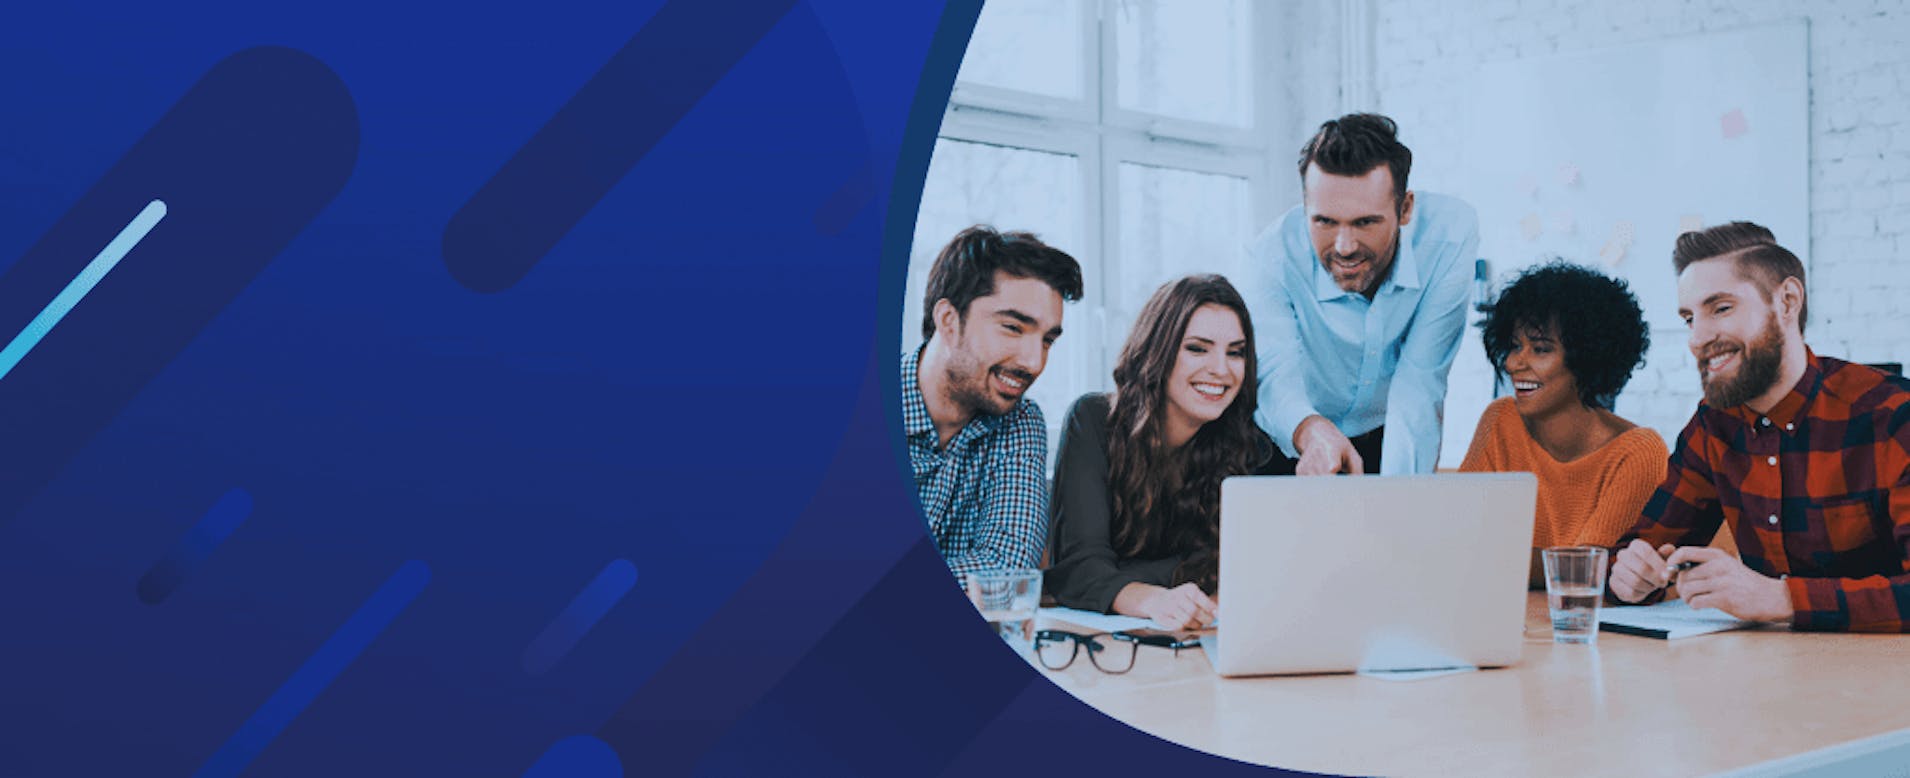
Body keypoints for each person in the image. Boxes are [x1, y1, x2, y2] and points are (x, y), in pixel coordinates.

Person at [1607, 222, 1910, 632]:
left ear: (1787, 301)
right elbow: (1643, 547)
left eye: (1721, 308)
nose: (1698, 338)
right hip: (1767, 677)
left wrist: (1780, 598)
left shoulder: (1892, 415)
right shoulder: (1713, 425)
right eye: (1688, 318)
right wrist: (1630, 576)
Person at [1243, 113, 1479, 476]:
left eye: (1365, 222)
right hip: (1290, 431)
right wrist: (1310, 429)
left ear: (1405, 209)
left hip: (1385, 432)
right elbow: (1274, 373)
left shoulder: (1448, 236)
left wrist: (1400, 502)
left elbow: (1420, 381)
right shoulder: (1272, 255)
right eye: (1324, 221)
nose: (1345, 246)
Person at [1045, 275, 1270, 629]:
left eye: (1236, 352)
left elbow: (1247, 565)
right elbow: (1078, 570)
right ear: (1158, 350)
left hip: (1200, 635)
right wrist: (1156, 599)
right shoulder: (1092, 421)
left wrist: (1127, 579)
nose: (1221, 369)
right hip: (1112, 645)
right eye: (1197, 348)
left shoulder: (1246, 439)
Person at [1460, 262, 1666, 588]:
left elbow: (1586, 571)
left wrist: (1485, 555)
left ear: (1587, 358)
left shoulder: (1638, 452)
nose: (1514, 363)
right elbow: (1452, 534)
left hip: (1587, 630)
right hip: (1503, 617)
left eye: (1540, 349)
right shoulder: (1500, 420)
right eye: (1514, 346)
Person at [902, 225, 1083, 582]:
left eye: (1047, 340)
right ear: (948, 321)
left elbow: (1008, 565)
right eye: (1013, 328)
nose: (1034, 363)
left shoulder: (1020, 420)